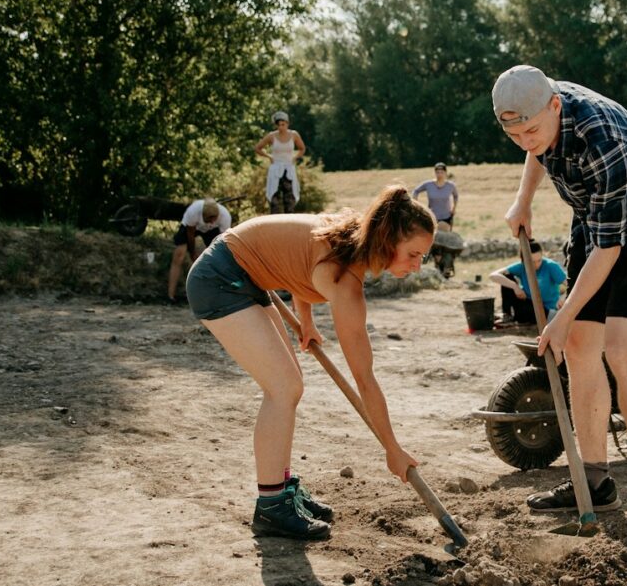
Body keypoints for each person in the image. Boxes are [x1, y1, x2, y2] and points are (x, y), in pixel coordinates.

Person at [185, 186, 435, 540]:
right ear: (388, 240)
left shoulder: (351, 237)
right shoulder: (344, 280)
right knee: (283, 388)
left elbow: (300, 263)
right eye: (413, 254)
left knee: (290, 385)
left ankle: (282, 487)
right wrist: (392, 449)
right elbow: (364, 379)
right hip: (220, 279)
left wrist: (307, 321)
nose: (417, 265)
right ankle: (272, 506)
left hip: (246, 274)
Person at [492, 64, 627, 538]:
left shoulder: (603, 140)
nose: (525, 141)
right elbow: (537, 149)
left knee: (620, 350)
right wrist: (524, 199)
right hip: (595, 221)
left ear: (555, 106)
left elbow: (610, 250)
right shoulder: (537, 111)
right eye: (514, 135)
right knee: (578, 347)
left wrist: (562, 315)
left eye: (532, 130)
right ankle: (595, 482)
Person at [166, 198, 232, 303]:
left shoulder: (225, 217)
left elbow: (222, 242)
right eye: (208, 219)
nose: (211, 222)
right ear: (202, 215)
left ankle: (216, 293)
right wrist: (192, 253)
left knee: (218, 260)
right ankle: (170, 296)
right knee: (179, 255)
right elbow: (190, 234)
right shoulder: (193, 211)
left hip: (213, 231)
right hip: (193, 228)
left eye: (214, 219)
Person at [490, 239, 566, 325]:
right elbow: (493, 275)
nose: (537, 265)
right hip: (528, 305)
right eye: (532, 262)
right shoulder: (521, 266)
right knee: (507, 277)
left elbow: (570, 284)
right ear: (524, 260)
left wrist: (563, 298)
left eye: (539, 260)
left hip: (546, 309)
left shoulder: (550, 266)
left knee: (540, 313)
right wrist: (515, 286)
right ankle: (507, 315)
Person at [255, 111, 306, 214]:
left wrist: (295, 157)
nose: (281, 127)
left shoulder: (294, 135)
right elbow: (258, 148)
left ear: (287, 123)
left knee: (289, 199)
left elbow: (302, 148)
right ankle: (275, 221)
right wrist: (269, 156)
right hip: (276, 169)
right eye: (278, 125)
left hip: (289, 169)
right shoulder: (271, 136)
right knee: (275, 200)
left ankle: (289, 221)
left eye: (283, 124)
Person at [413, 162, 459, 228]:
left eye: (442, 172)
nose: (439, 174)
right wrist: (416, 205)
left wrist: (454, 208)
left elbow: (456, 196)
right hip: (432, 217)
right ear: (435, 173)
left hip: (446, 217)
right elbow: (416, 191)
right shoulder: (428, 184)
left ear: (445, 173)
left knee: (445, 234)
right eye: (437, 172)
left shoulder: (451, 185)